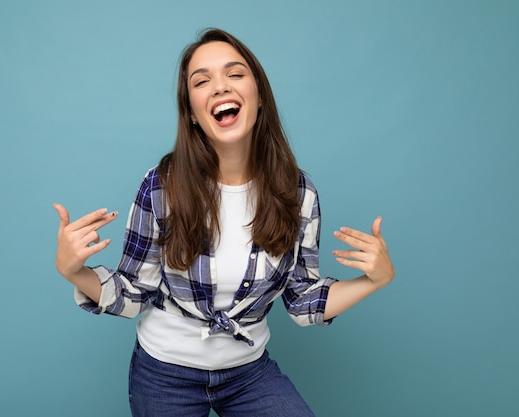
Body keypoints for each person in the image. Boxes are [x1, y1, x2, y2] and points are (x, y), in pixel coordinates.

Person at [53, 28, 394, 417]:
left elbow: (302, 302)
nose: (219, 87)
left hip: (248, 373)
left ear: (259, 96)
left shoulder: (299, 193)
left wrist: (375, 279)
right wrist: (73, 271)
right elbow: (133, 295)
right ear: (193, 114)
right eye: (202, 81)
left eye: (234, 74)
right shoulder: (161, 186)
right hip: (164, 374)